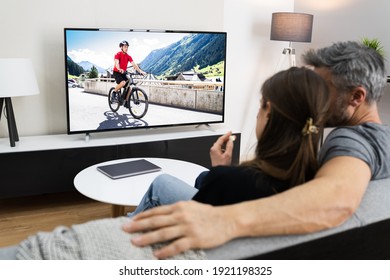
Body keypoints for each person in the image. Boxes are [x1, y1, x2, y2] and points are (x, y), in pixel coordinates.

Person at [1, 66, 330, 260]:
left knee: (160, 183)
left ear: (269, 113)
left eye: (260, 106)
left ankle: (126, 227)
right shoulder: (324, 179)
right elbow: (216, 189)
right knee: (164, 180)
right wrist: (222, 173)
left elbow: (210, 197)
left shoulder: (232, 180)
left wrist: (219, 170)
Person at [123, 41, 390, 259]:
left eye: (323, 89)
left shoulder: (351, 142)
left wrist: (223, 219)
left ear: (357, 97)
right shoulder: (378, 139)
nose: (315, 98)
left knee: (162, 184)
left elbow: (336, 201)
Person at [113, 40, 146, 105]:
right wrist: (119, 69)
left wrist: (140, 71)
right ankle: (114, 92)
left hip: (123, 72)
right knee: (123, 83)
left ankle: (126, 102)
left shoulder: (128, 56)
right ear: (121, 47)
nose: (126, 48)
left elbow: (134, 64)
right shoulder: (117, 54)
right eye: (125, 47)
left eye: (127, 47)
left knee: (129, 87)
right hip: (117, 72)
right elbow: (116, 63)